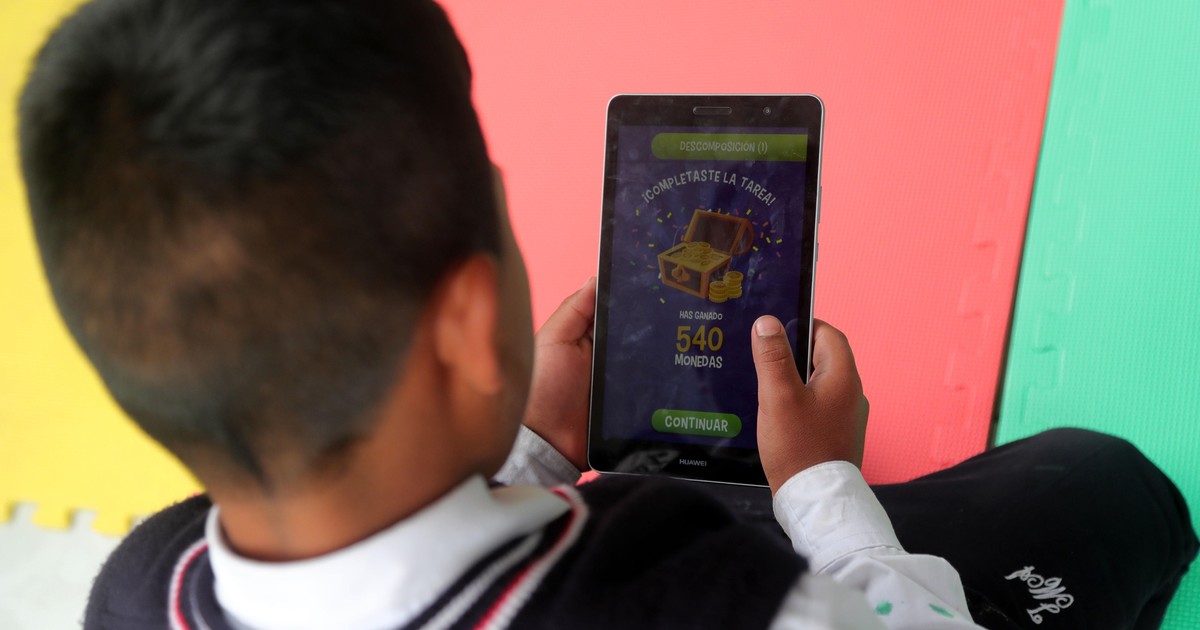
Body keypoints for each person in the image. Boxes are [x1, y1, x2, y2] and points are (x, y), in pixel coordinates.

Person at [18, 0, 1196, 628]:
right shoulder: (699, 588)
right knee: (1110, 486)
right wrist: (821, 486)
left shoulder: (138, 585)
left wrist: (527, 443)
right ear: (470, 320)